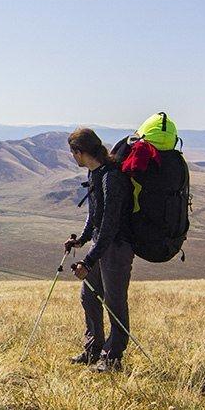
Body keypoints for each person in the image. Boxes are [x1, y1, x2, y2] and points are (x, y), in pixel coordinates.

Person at [64, 128, 134, 372]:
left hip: (117, 247)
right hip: (101, 245)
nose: (73, 158)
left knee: (114, 303)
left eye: (73, 153)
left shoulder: (111, 177)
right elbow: (94, 216)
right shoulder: (96, 174)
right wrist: (81, 240)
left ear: (80, 152)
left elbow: (109, 227)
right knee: (89, 297)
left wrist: (88, 261)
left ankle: (112, 358)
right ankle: (93, 350)